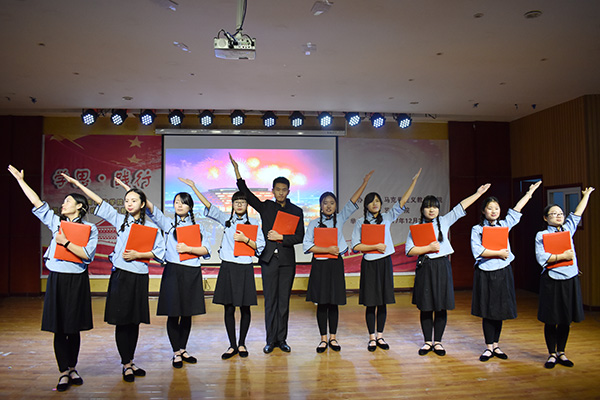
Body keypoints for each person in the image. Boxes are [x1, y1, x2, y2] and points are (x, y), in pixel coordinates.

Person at [64, 174, 165, 382]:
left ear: (143, 204)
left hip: (139, 277)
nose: (129, 204)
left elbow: (160, 253)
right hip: (121, 276)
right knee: (122, 321)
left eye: (133, 200)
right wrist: (79, 184)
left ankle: (131, 360)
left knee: (134, 322)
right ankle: (126, 364)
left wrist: (138, 254)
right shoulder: (120, 220)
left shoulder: (152, 227)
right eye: (126, 201)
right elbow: (99, 201)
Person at [8, 165, 98, 392]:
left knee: (73, 327)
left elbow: (86, 255)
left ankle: (73, 367)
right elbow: (37, 202)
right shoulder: (57, 223)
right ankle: (63, 372)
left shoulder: (90, 228)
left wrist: (65, 242)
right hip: (57, 278)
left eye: (68, 201)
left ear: (80, 206)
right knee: (59, 327)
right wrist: (20, 181)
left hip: (77, 279)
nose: (63, 204)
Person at [115, 178, 210, 369]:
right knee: (173, 313)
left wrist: (189, 249)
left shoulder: (199, 228)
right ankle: (176, 352)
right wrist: (132, 190)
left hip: (192, 272)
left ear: (190, 207)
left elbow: (206, 250)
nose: (179, 205)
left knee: (188, 314)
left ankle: (183, 349)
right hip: (173, 271)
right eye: (176, 202)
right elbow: (151, 208)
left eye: (183, 203)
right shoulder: (167, 224)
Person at [179, 178, 265, 359]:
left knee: (245, 308)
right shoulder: (226, 219)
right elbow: (208, 205)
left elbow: (260, 247)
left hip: (245, 267)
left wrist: (245, 240)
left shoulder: (254, 223)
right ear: (232, 204)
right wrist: (194, 186)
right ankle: (232, 345)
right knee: (229, 308)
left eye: (242, 202)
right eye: (236, 202)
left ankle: (242, 343)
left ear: (247, 205)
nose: (239, 204)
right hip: (228, 267)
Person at [230, 153, 304, 353]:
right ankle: (270, 340)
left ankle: (282, 339)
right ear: (273, 191)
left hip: (287, 261)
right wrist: (237, 172)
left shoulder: (296, 211)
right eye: (277, 189)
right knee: (270, 301)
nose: (281, 192)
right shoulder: (266, 207)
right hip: (269, 260)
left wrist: (281, 237)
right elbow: (246, 193)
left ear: (288, 191)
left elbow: (300, 236)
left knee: (284, 302)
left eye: (284, 190)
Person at [406, 183, 490, 356]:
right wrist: (428, 248)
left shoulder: (444, 221)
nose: (432, 210)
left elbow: (461, 207)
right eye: (428, 207)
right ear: (422, 210)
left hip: (442, 266)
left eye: (435, 207)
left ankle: (438, 342)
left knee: (441, 305)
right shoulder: (416, 227)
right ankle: (427, 342)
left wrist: (477, 193)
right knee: (426, 306)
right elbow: (409, 250)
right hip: (425, 266)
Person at [303, 171, 374, 353]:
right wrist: (327, 249)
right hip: (319, 265)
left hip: (335, 265)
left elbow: (353, 201)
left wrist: (364, 183)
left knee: (333, 302)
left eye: (332, 203)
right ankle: (323, 339)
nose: (328, 206)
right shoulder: (313, 223)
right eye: (325, 203)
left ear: (336, 206)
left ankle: (333, 338)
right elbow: (307, 245)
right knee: (321, 303)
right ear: (320, 205)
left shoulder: (340, 218)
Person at [471, 181, 542, 362]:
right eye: (490, 208)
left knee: (500, 309)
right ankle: (488, 347)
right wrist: (499, 253)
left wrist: (529, 193)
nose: (493, 211)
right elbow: (477, 251)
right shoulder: (477, 229)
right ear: (483, 211)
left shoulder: (504, 225)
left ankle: (496, 345)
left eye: (496, 208)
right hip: (485, 272)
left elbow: (517, 210)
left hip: (503, 272)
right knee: (488, 310)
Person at [351, 169, 421, 352]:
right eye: (371, 201)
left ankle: (380, 336)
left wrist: (413, 182)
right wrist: (374, 246)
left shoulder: (387, 218)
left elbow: (402, 202)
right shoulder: (360, 222)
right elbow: (356, 246)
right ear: (366, 205)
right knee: (370, 302)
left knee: (382, 301)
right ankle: (371, 338)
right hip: (369, 264)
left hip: (384, 263)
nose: (375, 203)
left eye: (377, 201)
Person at [535, 187, 595, 369]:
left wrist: (586, 196)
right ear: (546, 218)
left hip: (570, 279)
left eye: (560, 213)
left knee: (565, 318)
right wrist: (563, 256)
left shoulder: (568, 230)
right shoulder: (542, 235)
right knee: (551, 318)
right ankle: (551, 354)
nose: (558, 216)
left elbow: (577, 213)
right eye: (554, 214)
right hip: (551, 280)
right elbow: (542, 258)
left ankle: (561, 351)